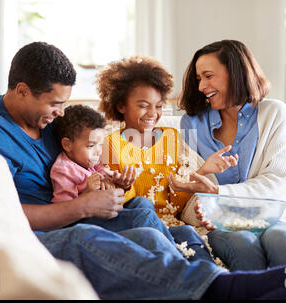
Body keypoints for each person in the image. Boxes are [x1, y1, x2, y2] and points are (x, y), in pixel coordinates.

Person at [0, 41, 286, 300]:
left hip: (72, 213)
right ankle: (227, 289)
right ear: (21, 90)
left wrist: (103, 184)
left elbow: (84, 162)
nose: (62, 112)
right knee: (87, 241)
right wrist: (83, 207)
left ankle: (206, 274)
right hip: (30, 234)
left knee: (144, 215)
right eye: (55, 103)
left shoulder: (51, 123)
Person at [169, 40, 286, 272]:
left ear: (236, 74)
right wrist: (202, 186)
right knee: (243, 244)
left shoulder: (273, 113)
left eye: (208, 76)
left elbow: (276, 184)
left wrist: (218, 192)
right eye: (199, 78)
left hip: (270, 214)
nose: (201, 86)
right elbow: (187, 194)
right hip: (220, 222)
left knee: (282, 240)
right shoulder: (191, 123)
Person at [96, 55, 238, 261]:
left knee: (191, 237)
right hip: (141, 229)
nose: (153, 113)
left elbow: (178, 199)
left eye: (159, 105)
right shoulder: (110, 145)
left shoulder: (171, 137)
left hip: (176, 226)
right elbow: (126, 206)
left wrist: (203, 170)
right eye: (144, 105)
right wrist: (123, 187)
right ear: (121, 106)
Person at [50, 104, 173, 239]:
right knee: (144, 216)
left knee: (143, 203)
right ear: (67, 145)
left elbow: (111, 190)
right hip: (86, 224)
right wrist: (87, 193)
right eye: (91, 146)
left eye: (101, 145)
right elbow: (62, 213)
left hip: (106, 213)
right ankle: (175, 252)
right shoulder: (63, 170)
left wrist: (121, 184)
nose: (98, 152)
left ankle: (171, 241)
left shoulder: (93, 162)